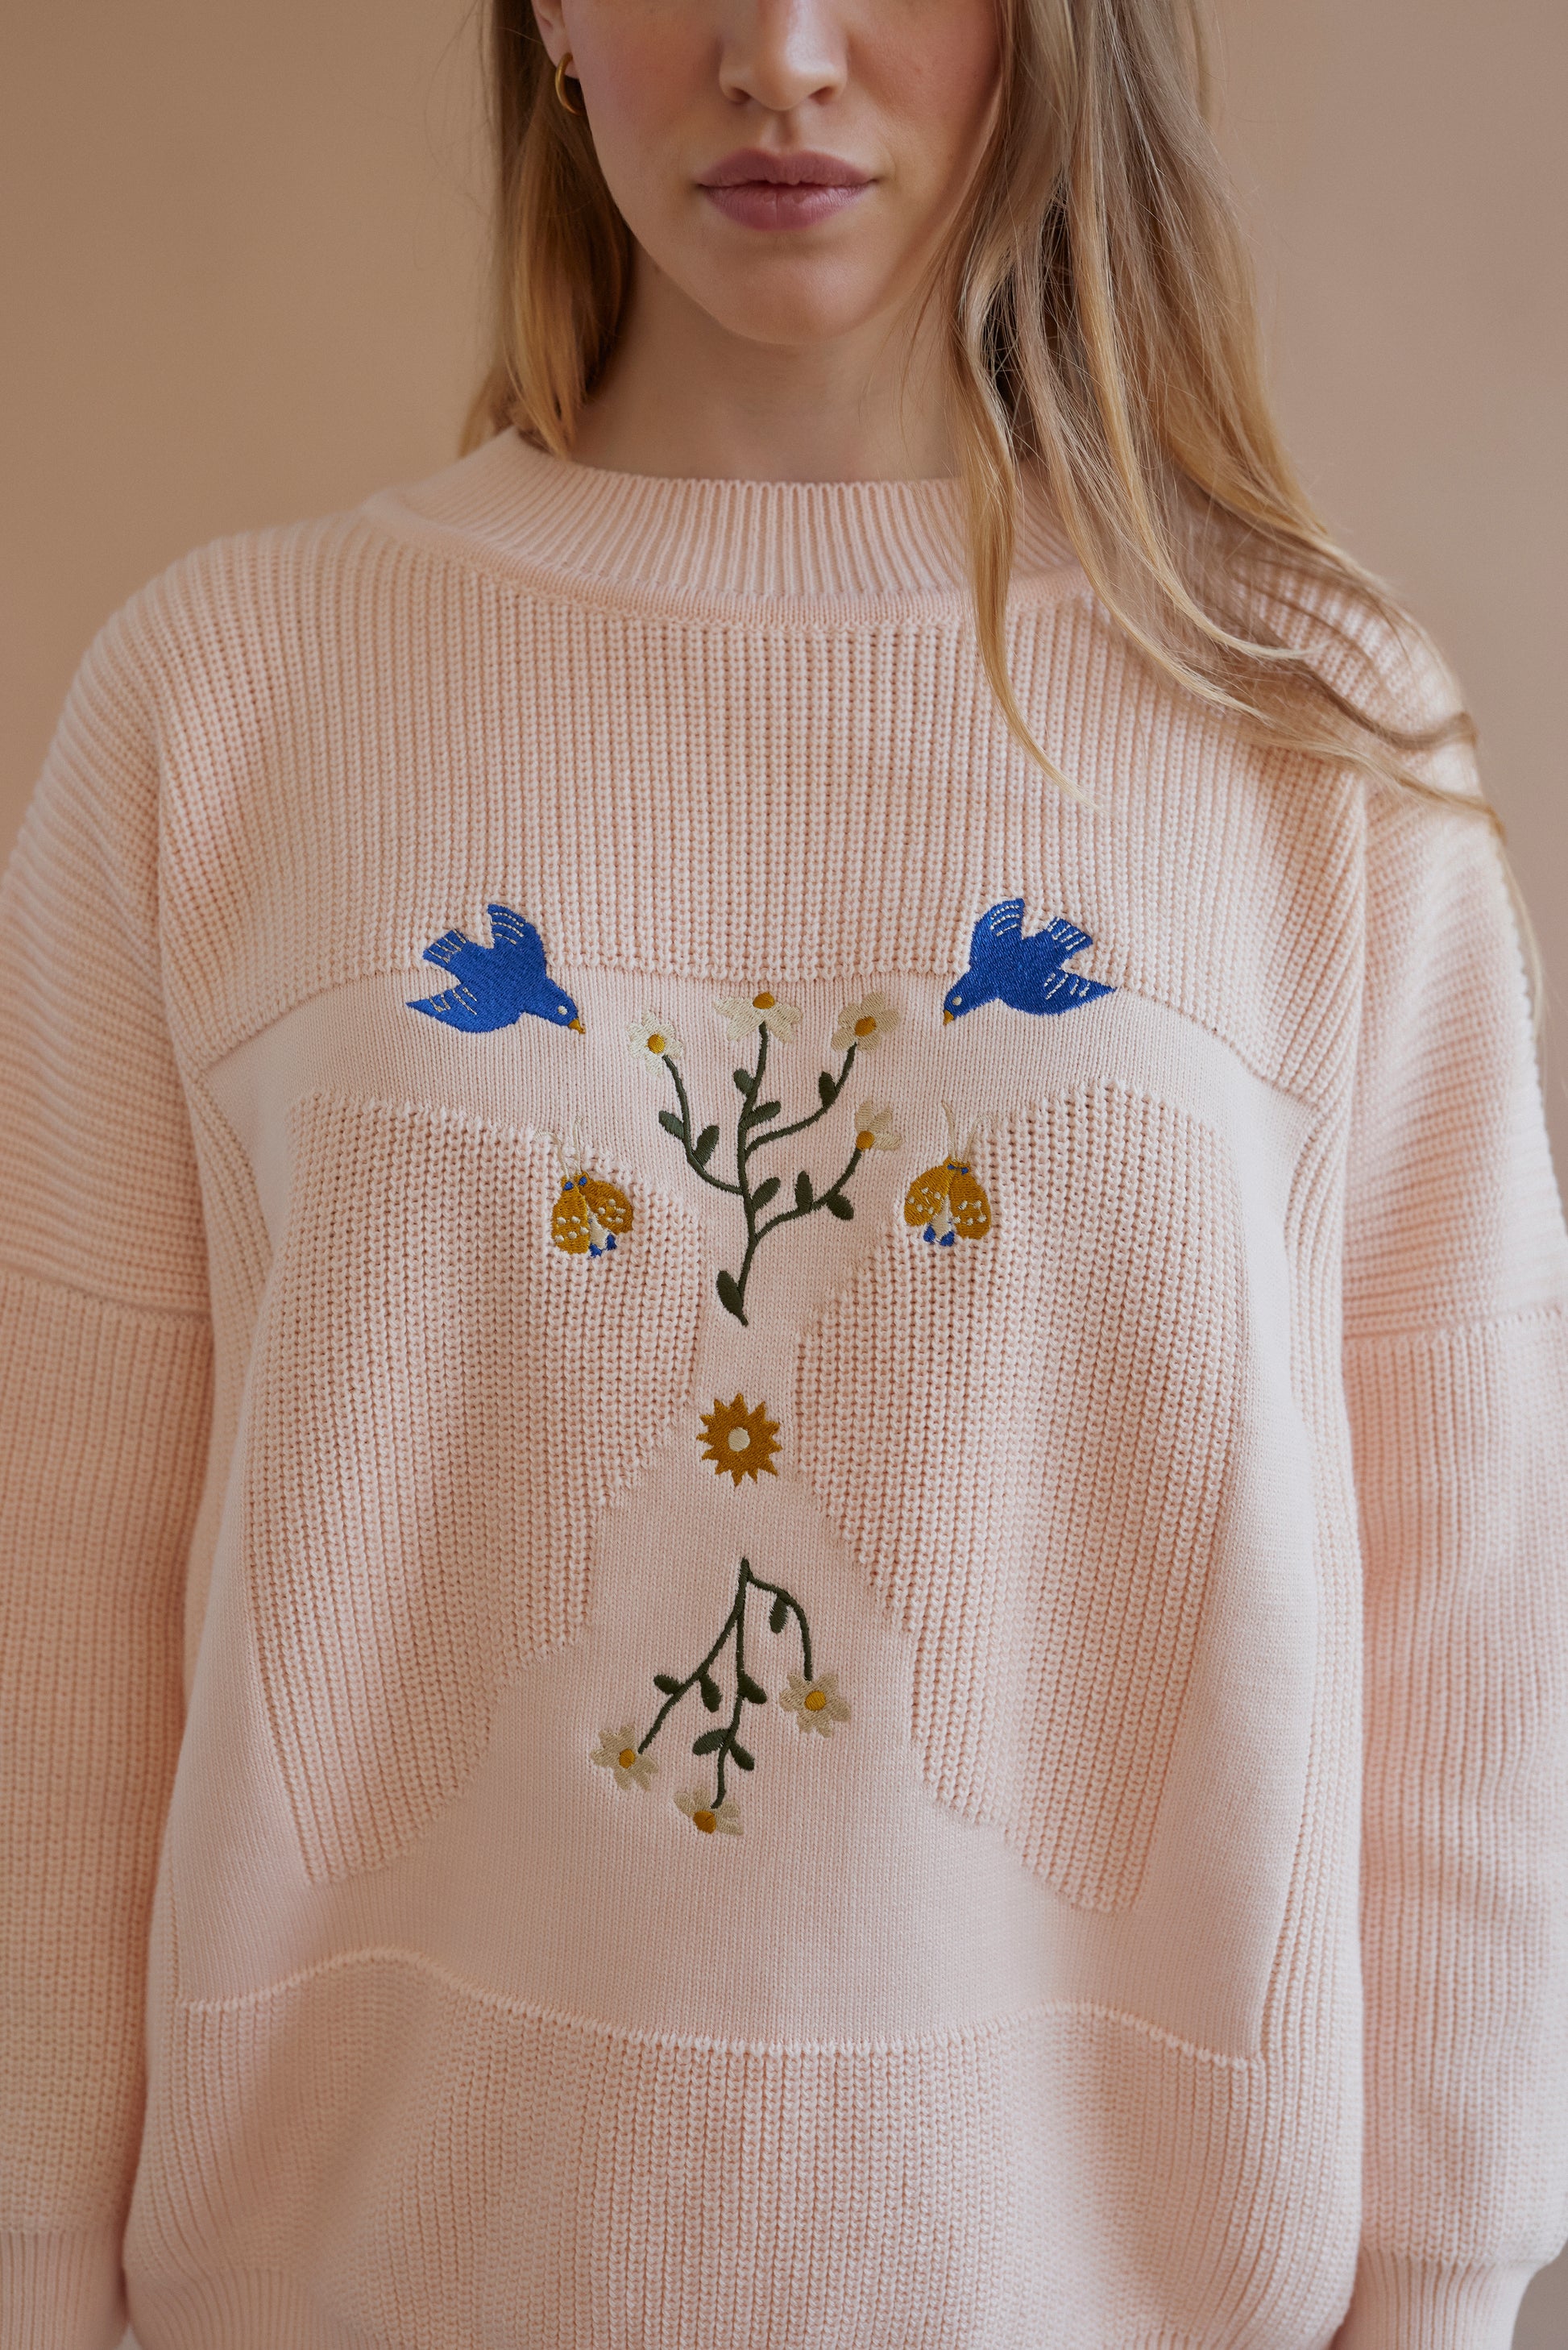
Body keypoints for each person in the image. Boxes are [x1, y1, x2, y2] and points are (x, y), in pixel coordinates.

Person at [2, 2, 1565, 2344]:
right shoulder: (222, 704)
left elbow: (1473, 1613)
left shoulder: (1307, 737)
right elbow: (54, 1577)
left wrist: (1444, 2285)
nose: (785, 51)